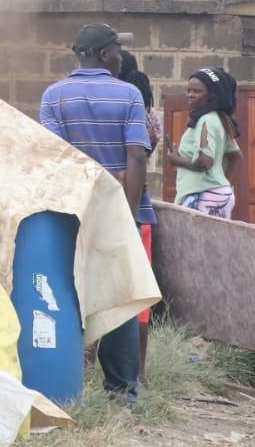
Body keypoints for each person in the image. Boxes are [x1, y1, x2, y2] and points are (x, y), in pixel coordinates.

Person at [40, 23, 152, 402]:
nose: (122, 57)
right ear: (104, 54)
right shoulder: (130, 95)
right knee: (119, 298)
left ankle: (66, 388)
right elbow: (136, 155)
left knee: (69, 294)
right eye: (118, 50)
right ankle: (121, 391)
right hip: (118, 209)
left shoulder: (53, 96)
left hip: (71, 211)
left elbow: (57, 159)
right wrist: (131, 215)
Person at [117, 50, 161, 379]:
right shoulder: (150, 116)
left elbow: (135, 159)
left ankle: (91, 364)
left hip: (121, 209)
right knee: (139, 293)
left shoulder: (120, 110)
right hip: (141, 210)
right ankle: (140, 370)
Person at [166, 68, 243, 219]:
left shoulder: (205, 120)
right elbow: (237, 157)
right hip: (216, 195)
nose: (190, 95)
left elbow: (205, 161)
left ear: (211, 96)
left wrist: (176, 160)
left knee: (193, 243)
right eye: (188, 90)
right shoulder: (219, 119)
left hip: (202, 196)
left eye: (197, 91)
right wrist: (224, 187)